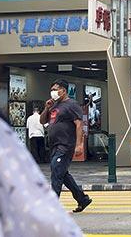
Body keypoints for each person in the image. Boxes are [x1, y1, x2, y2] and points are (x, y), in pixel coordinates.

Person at [41, 80, 93, 213]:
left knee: (56, 172)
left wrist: (79, 144)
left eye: (55, 89)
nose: (53, 91)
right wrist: (46, 108)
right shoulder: (54, 105)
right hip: (54, 146)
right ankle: (82, 199)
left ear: (63, 90)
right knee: (61, 173)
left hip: (65, 145)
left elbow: (79, 125)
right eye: (52, 89)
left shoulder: (72, 105)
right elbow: (42, 121)